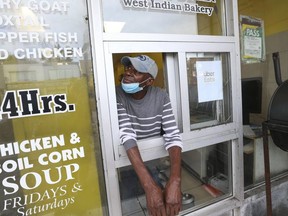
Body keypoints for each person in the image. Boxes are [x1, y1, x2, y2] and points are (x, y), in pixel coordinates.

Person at [116, 55, 183, 216]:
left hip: (152, 165)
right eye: (128, 68)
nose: (128, 72)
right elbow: (127, 135)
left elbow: (172, 135)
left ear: (149, 81)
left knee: (160, 206)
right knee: (129, 204)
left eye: (137, 71)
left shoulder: (161, 96)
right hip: (126, 165)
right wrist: (149, 186)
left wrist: (175, 180)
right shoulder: (116, 94)